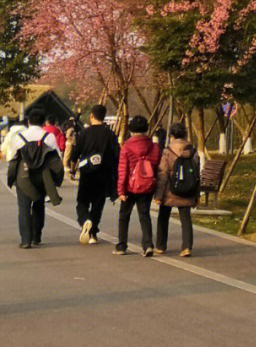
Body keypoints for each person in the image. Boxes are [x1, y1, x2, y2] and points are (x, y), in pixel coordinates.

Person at [5, 109, 63, 248]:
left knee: (24, 208)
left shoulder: (20, 137)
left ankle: (25, 240)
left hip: (23, 175)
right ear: (43, 122)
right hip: (43, 175)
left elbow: (12, 157)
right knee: (38, 205)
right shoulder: (48, 137)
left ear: (28, 121)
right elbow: (57, 158)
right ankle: (36, 236)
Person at [68, 104, 120, 245]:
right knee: (98, 203)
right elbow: (117, 155)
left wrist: (72, 170)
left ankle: (85, 220)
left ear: (91, 116)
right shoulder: (110, 134)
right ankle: (93, 234)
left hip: (87, 173)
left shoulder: (85, 133)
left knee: (82, 201)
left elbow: (75, 154)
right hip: (104, 174)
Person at [114, 115, 160, 257]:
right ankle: (148, 245)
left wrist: (121, 190)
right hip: (147, 186)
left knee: (124, 216)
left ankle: (122, 246)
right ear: (146, 129)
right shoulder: (154, 147)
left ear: (131, 130)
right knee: (145, 215)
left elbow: (123, 170)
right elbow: (157, 168)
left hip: (130, 187)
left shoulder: (126, 147)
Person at [154, 121, 200, 257]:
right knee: (186, 218)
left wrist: (158, 195)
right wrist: (197, 195)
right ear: (185, 135)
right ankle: (187, 247)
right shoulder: (193, 151)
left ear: (172, 136)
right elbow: (197, 174)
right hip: (188, 189)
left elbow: (163, 174)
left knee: (163, 217)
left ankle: (161, 246)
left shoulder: (168, 151)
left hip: (170, 190)